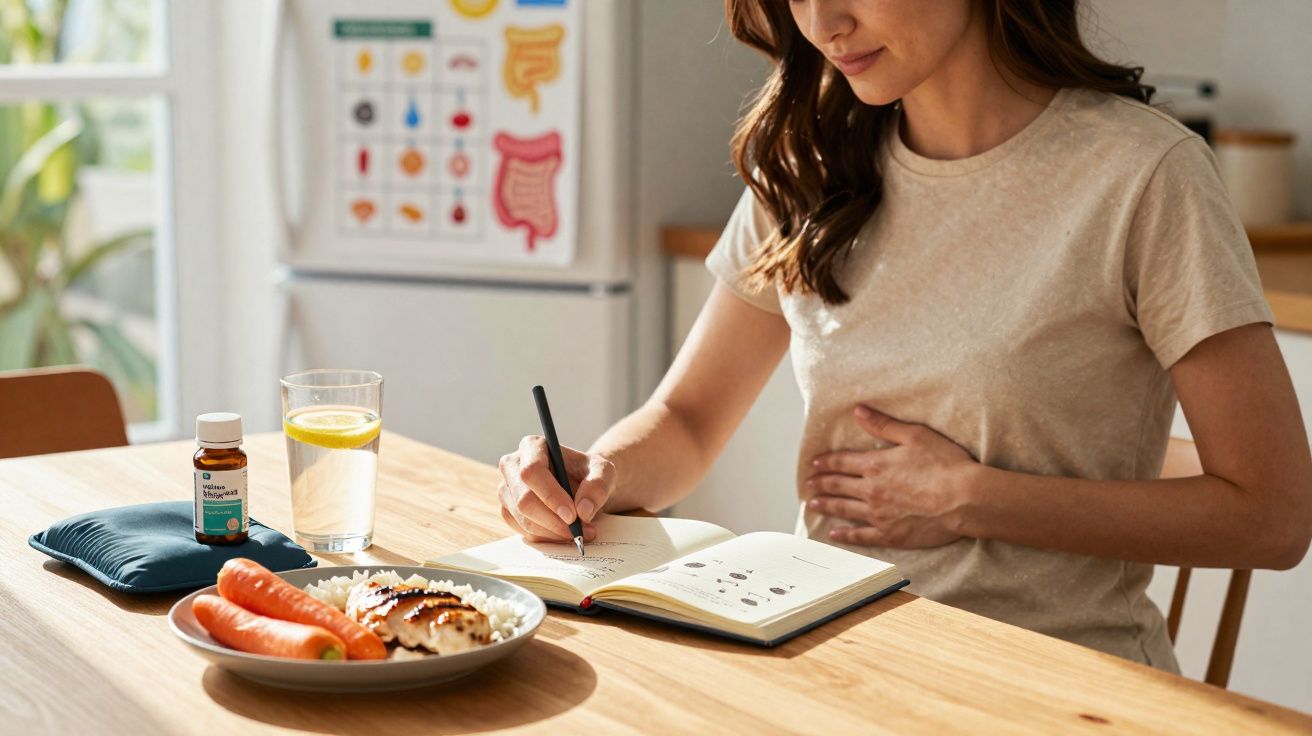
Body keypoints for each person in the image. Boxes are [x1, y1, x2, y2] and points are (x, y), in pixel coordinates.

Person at [495, 0, 1312, 670]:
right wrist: (596, 473)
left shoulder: (1143, 176)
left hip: (1054, 680)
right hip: (821, 653)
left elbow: (1273, 517)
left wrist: (973, 500)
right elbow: (688, 419)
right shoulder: (807, 160)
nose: (821, 22)